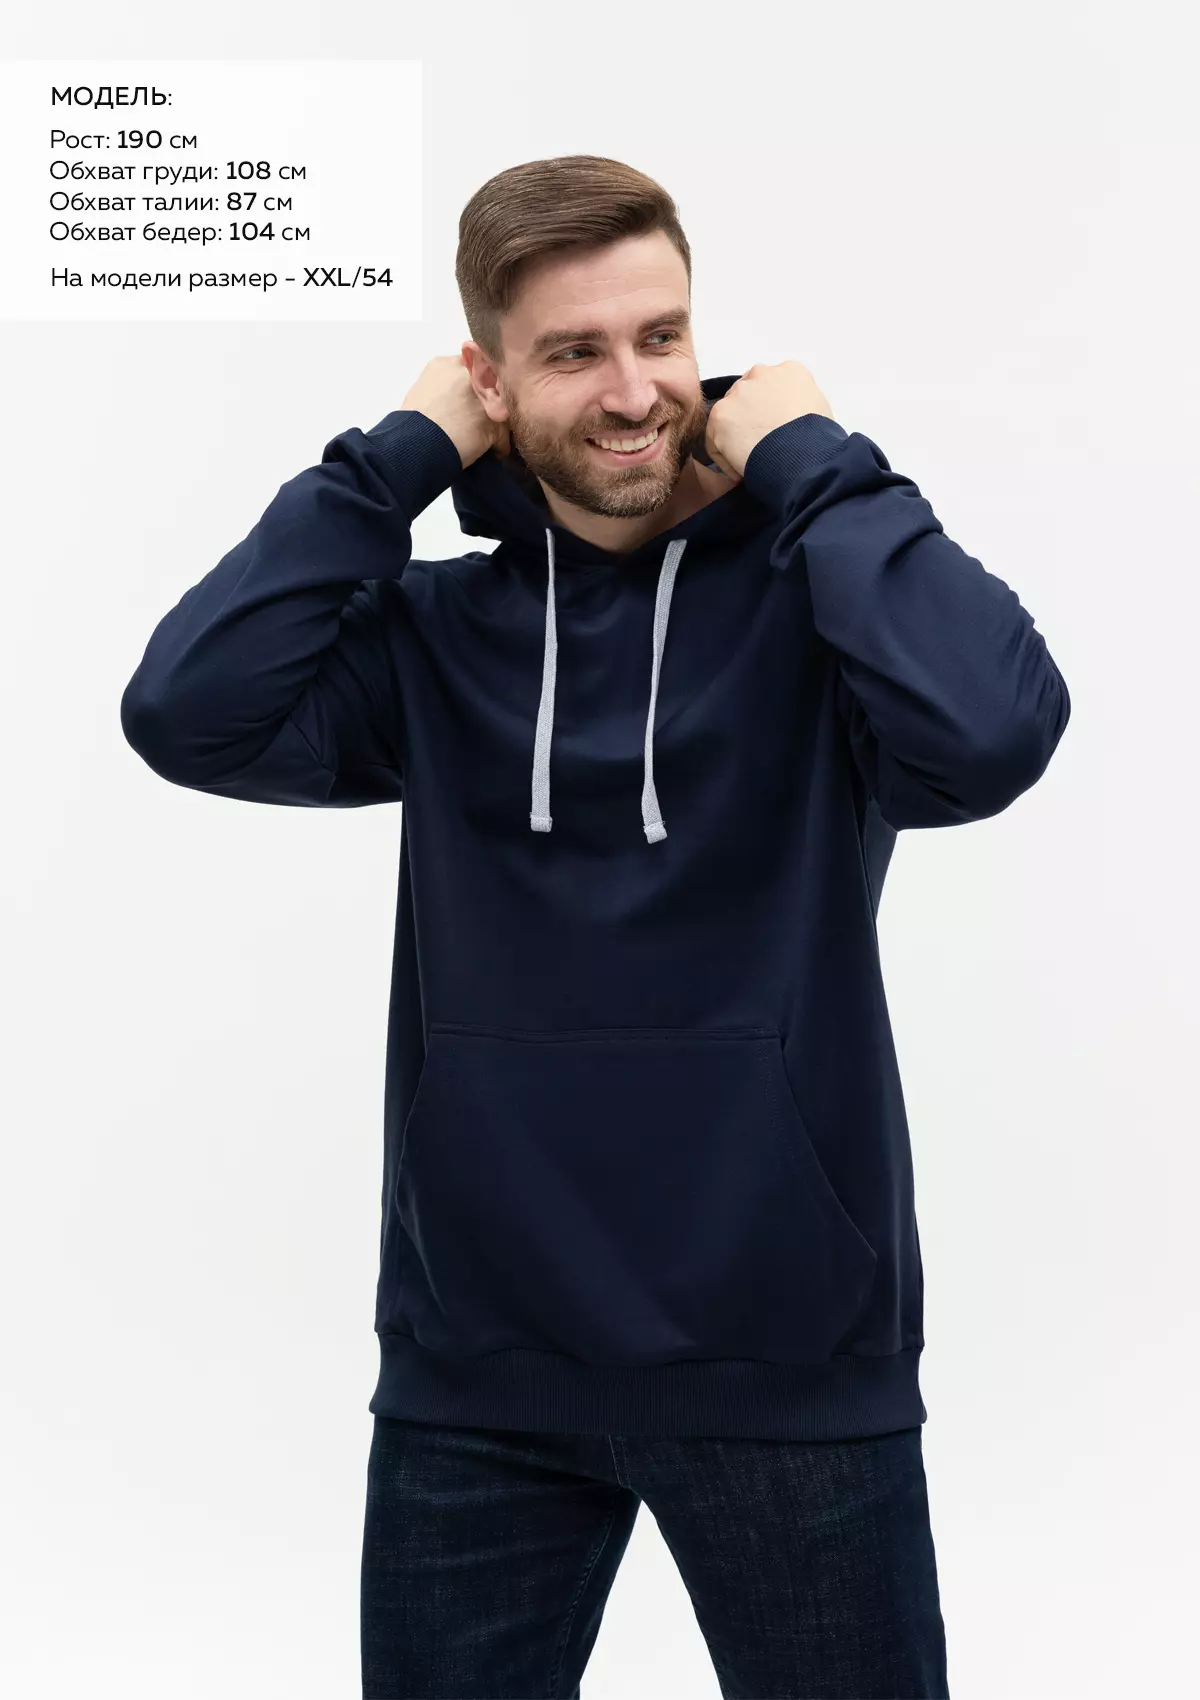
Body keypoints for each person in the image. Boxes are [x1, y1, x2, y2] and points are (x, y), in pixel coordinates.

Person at [120, 153, 1071, 1699]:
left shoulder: (826, 620)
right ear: (491, 384)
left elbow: (997, 731)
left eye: (663, 337)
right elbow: (186, 712)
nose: (636, 392)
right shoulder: (435, 636)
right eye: (575, 352)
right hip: (477, 1377)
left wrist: (820, 462)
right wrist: (390, 461)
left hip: (787, 1367)